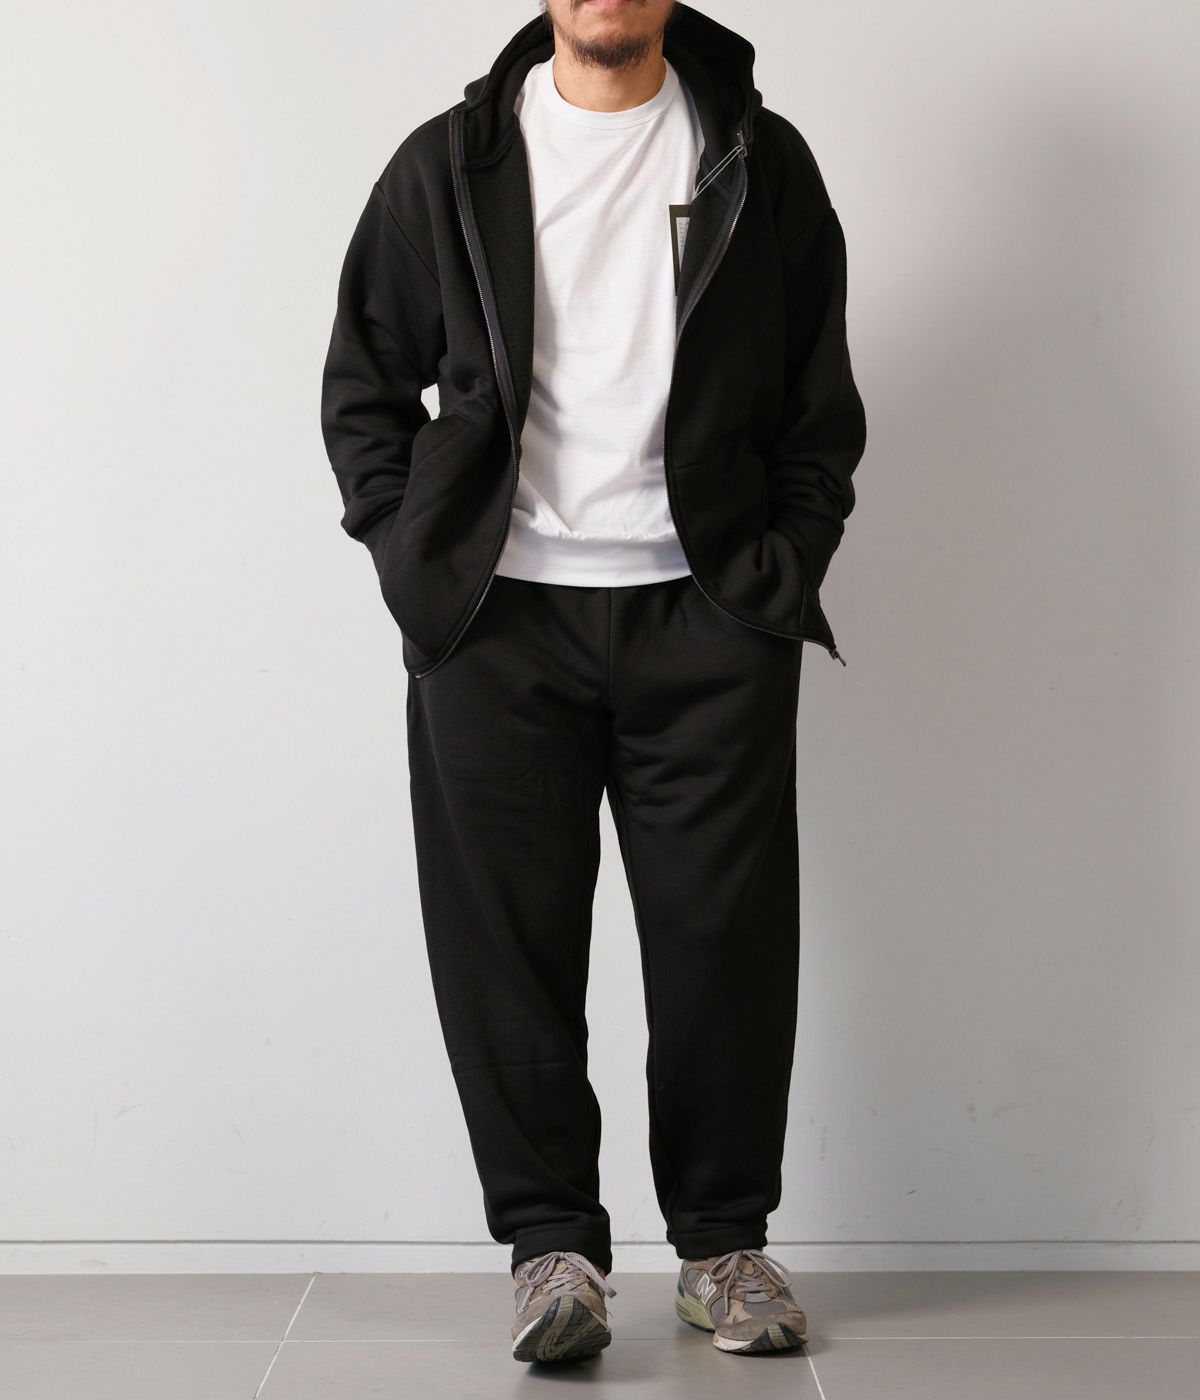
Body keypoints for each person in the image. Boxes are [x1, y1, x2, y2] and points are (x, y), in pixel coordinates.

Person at [321, 0, 866, 1365]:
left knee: (725, 947)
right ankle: (550, 1251)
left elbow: (820, 402)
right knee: (504, 952)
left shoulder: (761, 161)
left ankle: (722, 1246)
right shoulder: (450, 165)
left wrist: (779, 568)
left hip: (707, 616)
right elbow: (363, 386)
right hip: (497, 623)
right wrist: (415, 555)